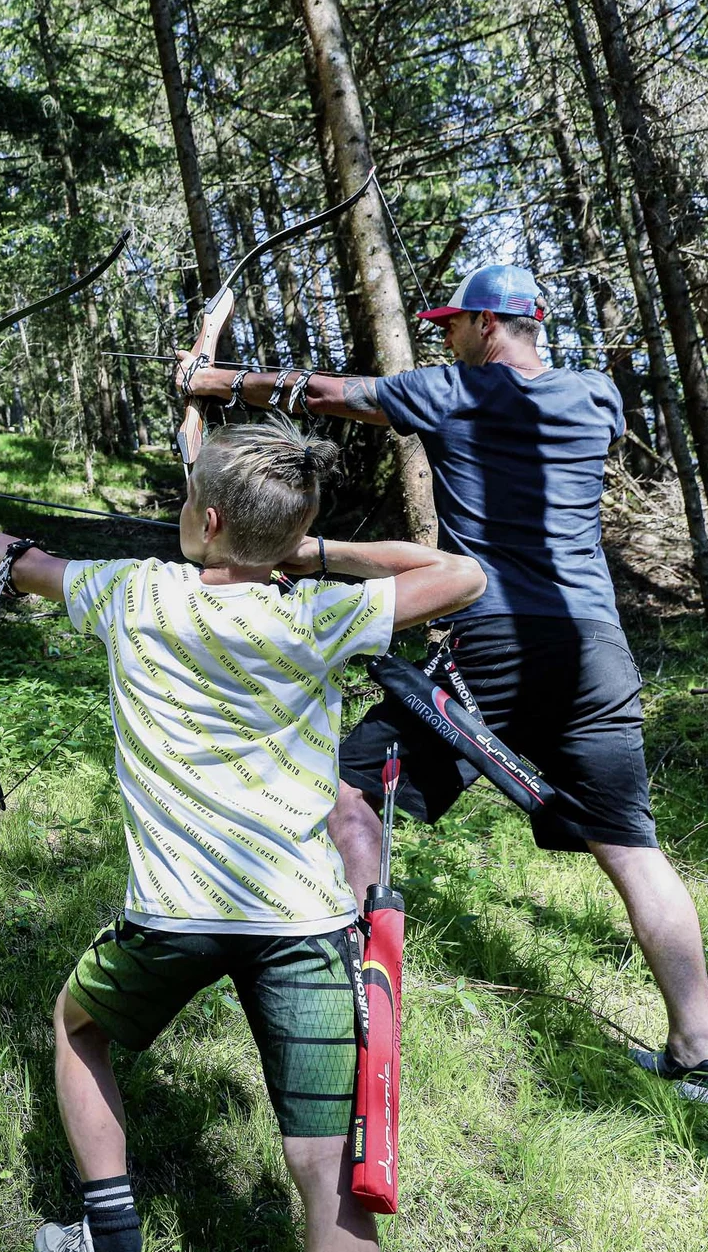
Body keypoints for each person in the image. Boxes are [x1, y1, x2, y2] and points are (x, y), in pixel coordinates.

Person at [0, 418, 485, 1252]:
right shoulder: (319, 612)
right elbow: (459, 575)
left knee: (76, 1025)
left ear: (203, 518)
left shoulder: (135, 593)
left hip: (172, 916)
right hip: (304, 923)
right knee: (330, 1177)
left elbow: (21, 562)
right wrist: (312, 551)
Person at [174, 262, 708, 1104]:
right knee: (634, 850)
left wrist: (215, 380)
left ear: (488, 326)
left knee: (349, 791)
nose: (444, 335)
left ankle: (349, 1005)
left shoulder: (456, 389)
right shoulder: (596, 396)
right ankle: (697, 1052)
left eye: (454, 323)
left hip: (494, 637)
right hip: (596, 646)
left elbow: (328, 394)